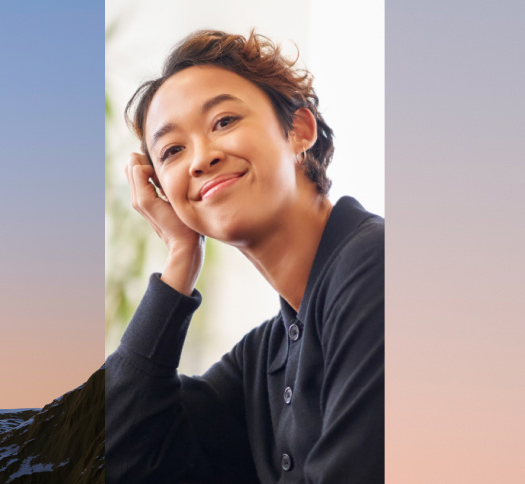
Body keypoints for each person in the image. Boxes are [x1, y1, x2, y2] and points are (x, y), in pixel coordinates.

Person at [104, 30, 384, 483]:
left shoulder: (377, 268)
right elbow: (118, 458)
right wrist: (180, 259)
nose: (201, 159)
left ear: (298, 130)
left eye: (224, 121)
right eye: (173, 150)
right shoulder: (264, 358)